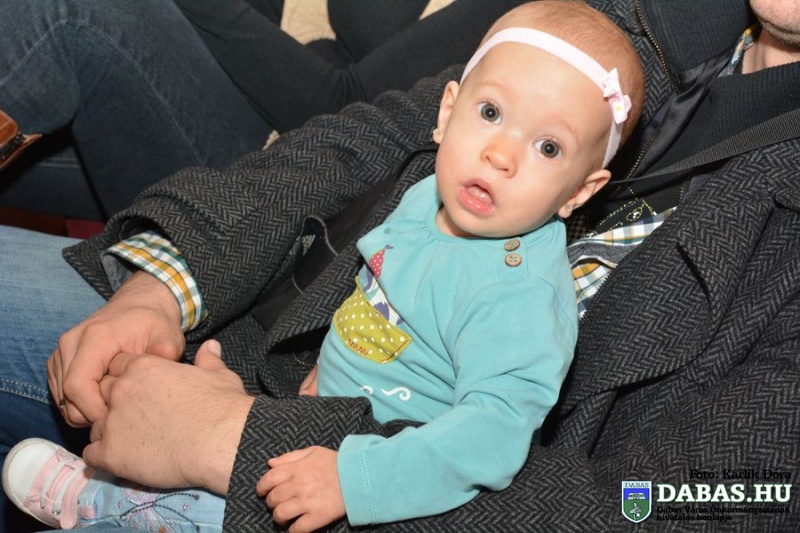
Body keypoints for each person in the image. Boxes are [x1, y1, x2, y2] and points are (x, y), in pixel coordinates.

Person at [0, 0, 799, 531]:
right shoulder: (648, 22)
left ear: (583, 185)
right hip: (261, 341)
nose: (503, 154)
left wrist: (239, 438)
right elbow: (370, 134)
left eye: (549, 149)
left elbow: (664, 507)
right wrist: (167, 284)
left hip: (362, 479)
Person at [0, 0, 525, 220]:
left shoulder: (530, 15)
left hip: (289, 172)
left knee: (67, 14)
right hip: (237, 101)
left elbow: (342, 103)